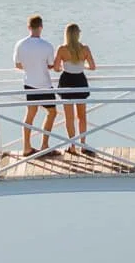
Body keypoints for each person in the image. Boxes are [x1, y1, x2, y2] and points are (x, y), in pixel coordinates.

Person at [14, 15, 58, 157]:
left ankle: (26, 147)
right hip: (44, 84)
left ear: (28, 27)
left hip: (29, 83)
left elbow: (17, 64)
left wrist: (30, 67)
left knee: (30, 115)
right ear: (41, 27)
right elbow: (51, 65)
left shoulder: (20, 44)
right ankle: (44, 145)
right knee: (52, 112)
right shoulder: (47, 46)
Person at [52, 24, 96, 151]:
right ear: (78, 34)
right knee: (82, 116)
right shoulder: (85, 49)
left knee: (69, 117)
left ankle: (72, 145)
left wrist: (63, 67)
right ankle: (83, 144)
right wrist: (83, 66)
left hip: (67, 81)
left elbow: (56, 68)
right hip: (80, 81)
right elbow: (92, 66)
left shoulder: (62, 49)